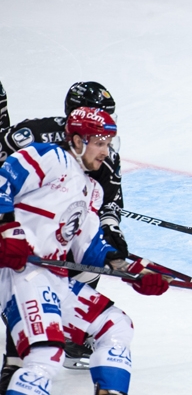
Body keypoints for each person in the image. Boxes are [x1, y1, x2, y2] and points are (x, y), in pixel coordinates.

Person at [0, 106, 169, 395]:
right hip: (21, 272)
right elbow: (2, 182)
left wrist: (135, 271)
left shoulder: (91, 189)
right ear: (78, 141)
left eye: (109, 144)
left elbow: (89, 248)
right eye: (99, 143)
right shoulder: (49, 157)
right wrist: (7, 231)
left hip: (53, 278)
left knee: (116, 326)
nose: (106, 152)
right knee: (45, 356)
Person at [0, 82, 128, 384]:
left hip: (62, 232)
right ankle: (18, 360)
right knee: (27, 295)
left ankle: (66, 336)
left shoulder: (102, 155)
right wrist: (6, 226)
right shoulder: (38, 139)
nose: (106, 147)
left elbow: (105, 204)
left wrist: (118, 253)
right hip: (19, 233)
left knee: (84, 274)